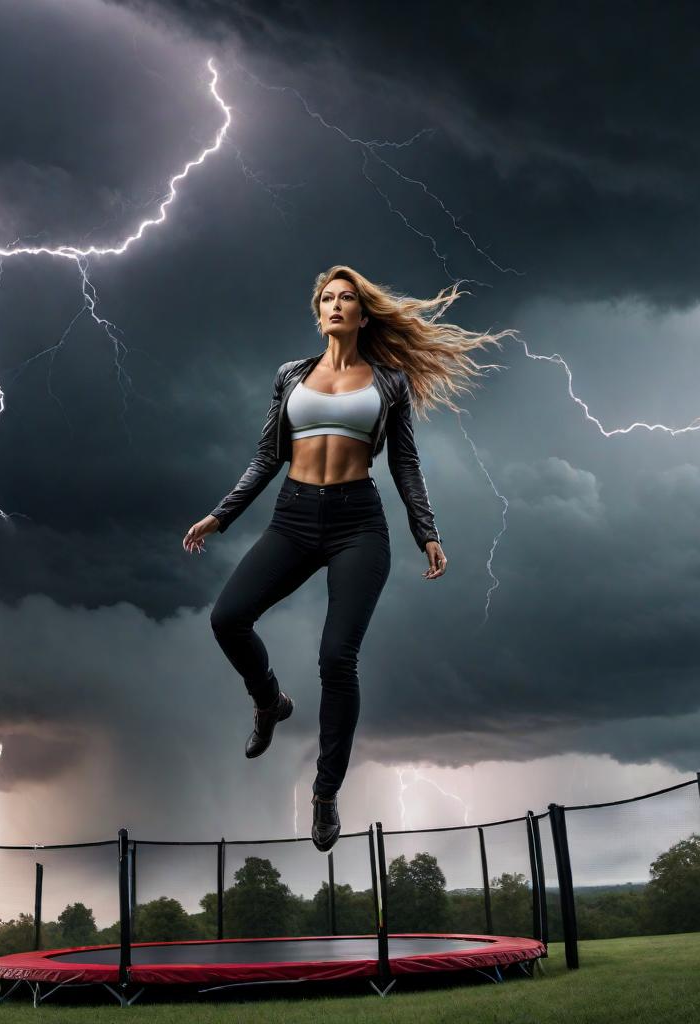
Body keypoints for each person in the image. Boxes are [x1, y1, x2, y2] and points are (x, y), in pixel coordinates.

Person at [183, 265, 512, 851]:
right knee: (226, 618)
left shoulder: (389, 382)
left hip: (358, 523)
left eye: (348, 299)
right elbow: (267, 456)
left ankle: (325, 792)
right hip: (293, 517)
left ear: (363, 314)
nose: (337, 306)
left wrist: (426, 531)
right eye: (328, 299)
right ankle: (269, 701)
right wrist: (221, 514)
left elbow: (404, 464)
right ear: (318, 314)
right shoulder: (291, 376)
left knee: (337, 658)